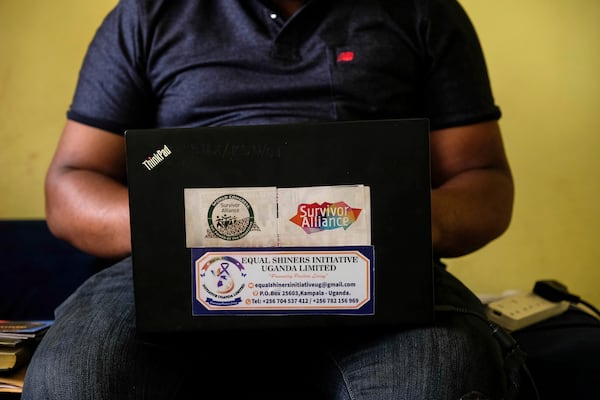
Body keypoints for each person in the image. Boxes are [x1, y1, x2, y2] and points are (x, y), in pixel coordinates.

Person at [22, 0, 516, 399]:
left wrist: (404, 222)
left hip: (375, 263)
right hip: (175, 261)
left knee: (439, 378)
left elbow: (484, 179)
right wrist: (164, 224)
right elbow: (71, 183)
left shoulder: (424, 11)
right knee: (76, 376)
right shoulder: (148, 14)